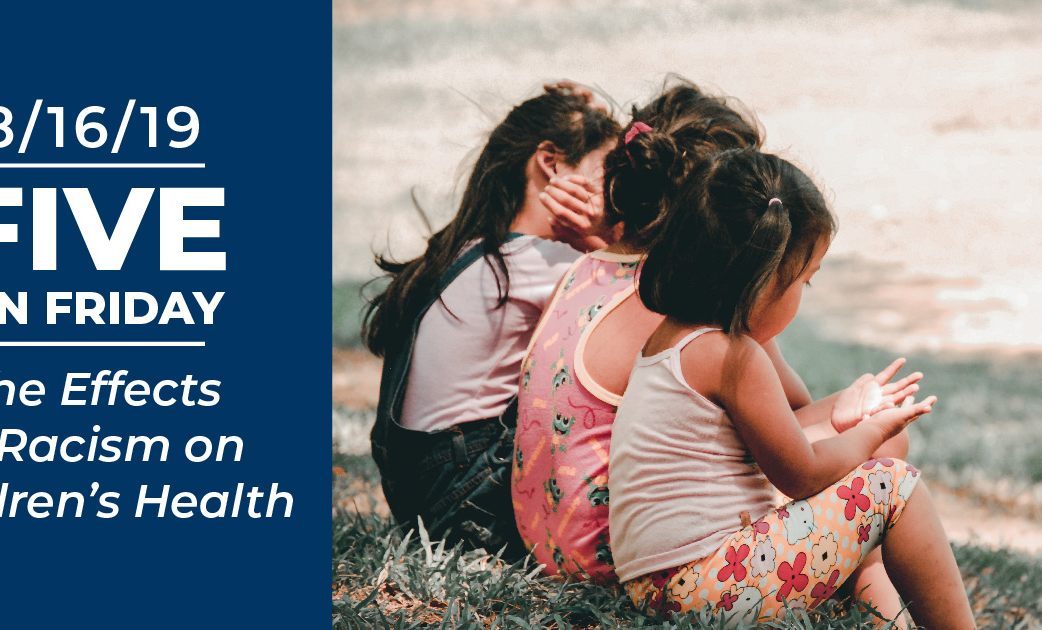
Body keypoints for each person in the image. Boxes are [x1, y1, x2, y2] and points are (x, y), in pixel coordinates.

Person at [516, 79, 916, 625]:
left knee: (867, 448)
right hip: (621, 555)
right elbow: (793, 437)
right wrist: (865, 425)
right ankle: (884, 609)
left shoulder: (591, 269)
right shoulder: (692, 316)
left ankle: (881, 609)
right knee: (885, 456)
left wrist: (849, 405)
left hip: (562, 539)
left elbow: (782, 413)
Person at [608, 148, 975, 628]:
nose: (804, 292)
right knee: (894, 486)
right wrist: (870, 431)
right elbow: (801, 475)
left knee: (879, 456)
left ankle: (886, 619)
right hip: (706, 587)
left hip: (662, 585)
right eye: (805, 280)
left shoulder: (675, 338)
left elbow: (772, 438)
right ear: (761, 280)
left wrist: (843, 417)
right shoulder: (733, 357)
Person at [513, 80, 815, 582]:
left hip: (547, 542)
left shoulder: (583, 268)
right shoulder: (676, 303)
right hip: (622, 556)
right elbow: (796, 413)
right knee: (871, 450)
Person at [362, 83, 621, 559]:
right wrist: (598, 241)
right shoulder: (542, 263)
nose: (611, 193)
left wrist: (587, 115)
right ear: (551, 162)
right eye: (605, 172)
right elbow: (649, 313)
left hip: (424, 496)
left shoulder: (471, 249)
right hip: (469, 506)